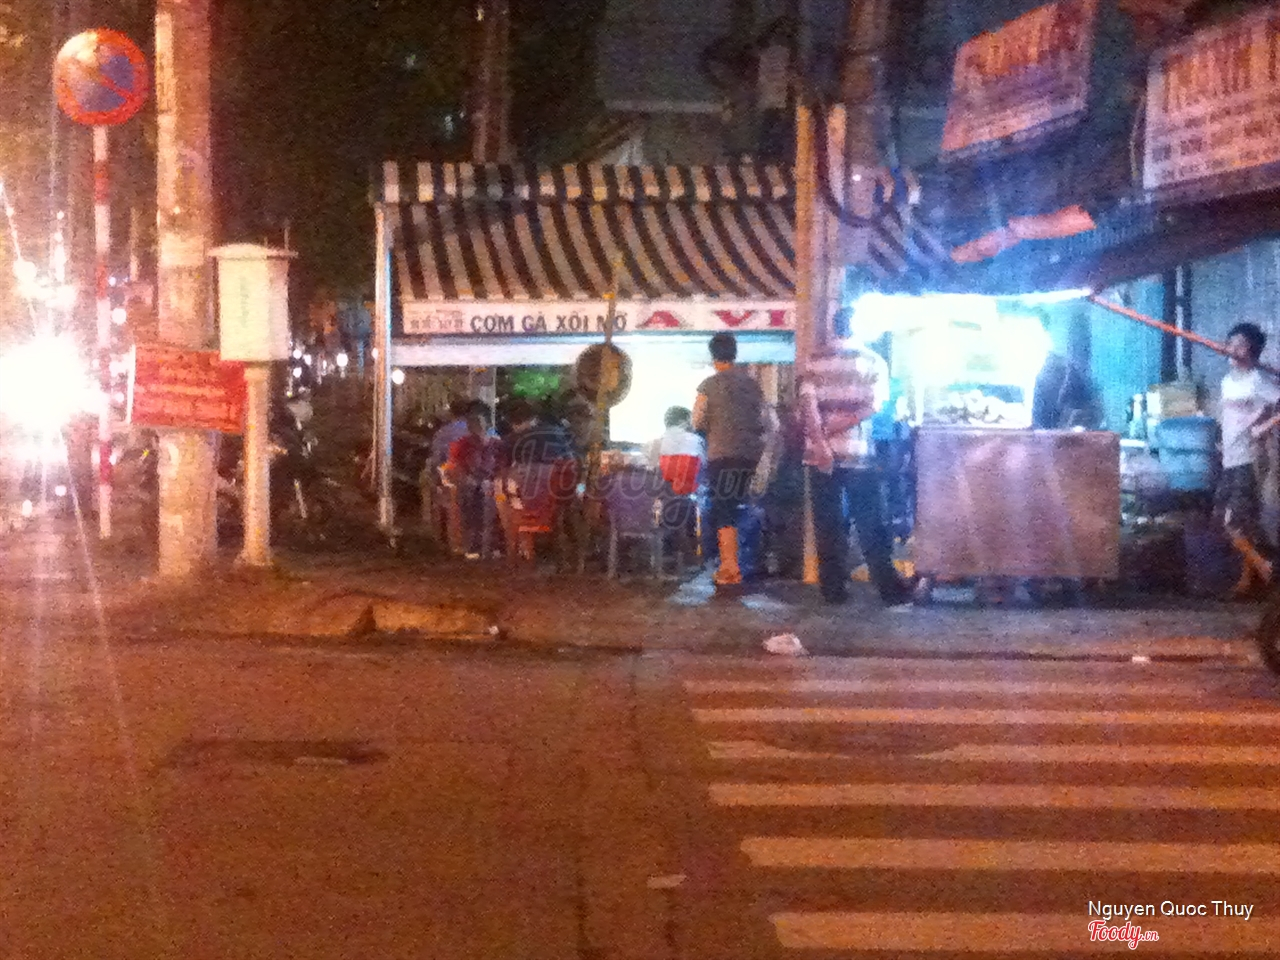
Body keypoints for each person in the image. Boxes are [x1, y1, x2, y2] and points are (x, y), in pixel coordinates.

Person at [799, 341, 914, 607]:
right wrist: (839, 426)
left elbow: (808, 405)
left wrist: (821, 441)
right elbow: (874, 405)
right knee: (870, 521)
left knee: (827, 524)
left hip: (818, 455)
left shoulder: (814, 359)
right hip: (857, 452)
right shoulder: (872, 360)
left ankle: (833, 591)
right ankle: (888, 589)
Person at [692, 332, 770, 586]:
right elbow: (767, 421)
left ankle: (730, 568)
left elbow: (697, 420)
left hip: (722, 454)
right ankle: (743, 561)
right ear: (735, 354)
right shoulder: (753, 385)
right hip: (750, 456)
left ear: (713, 356)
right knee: (739, 505)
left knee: (724, 509)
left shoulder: (708, 386)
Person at [1217, 322, 1280, 598]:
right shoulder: (1227, 381)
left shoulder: (1258, 381)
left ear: (1251, 350)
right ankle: (1246, 583)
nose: (1232, 349)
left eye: (1240, 345)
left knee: (1231, 521)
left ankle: (1265, 566)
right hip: (1229, 458)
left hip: (1247, 459)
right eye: (1230, 343)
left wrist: (1262, 428)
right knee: (1243, 523)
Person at [446, 403, 499, 559]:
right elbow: (454, 467)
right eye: (475, 425)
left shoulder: (496, 444)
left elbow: (502, 465)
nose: (478, 428)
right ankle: (474, 545)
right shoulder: (461, 445)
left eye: (480, 424)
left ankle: (488, 545)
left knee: (491, 497)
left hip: (491, 485)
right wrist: (469, 479)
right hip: (470, 484)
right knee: (470, 497)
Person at [646, 406, 704, 497]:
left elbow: (651, 471)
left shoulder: (654, 444)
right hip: (693, 494)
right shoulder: (697, 441)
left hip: (664, 495)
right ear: (685, 422)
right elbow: (705, 467)